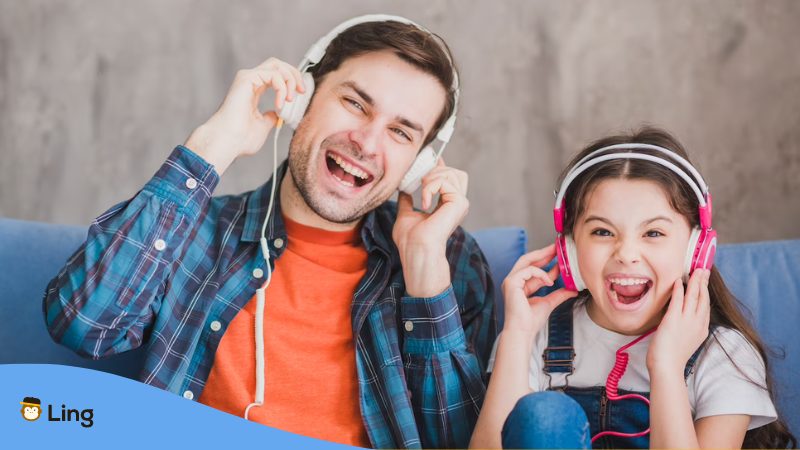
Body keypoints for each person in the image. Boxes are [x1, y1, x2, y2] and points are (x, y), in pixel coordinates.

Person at [43, 15, 495, 449]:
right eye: (355, 103)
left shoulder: (445, 261)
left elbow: (460, 442)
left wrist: (424, 271)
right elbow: (84, 326)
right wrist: (211, 147)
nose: (368, 142)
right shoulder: (198, 228)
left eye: (401, 132)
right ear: (302, 99)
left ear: (417, 162)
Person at [470, 127, 796, 449]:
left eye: (653, 233)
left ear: (695, 250)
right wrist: (517, 336)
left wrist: (666, 366)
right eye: (602, 232)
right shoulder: (534, 337)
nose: (626, 254)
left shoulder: (724, 354)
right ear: (569, 248)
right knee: (545, 415)